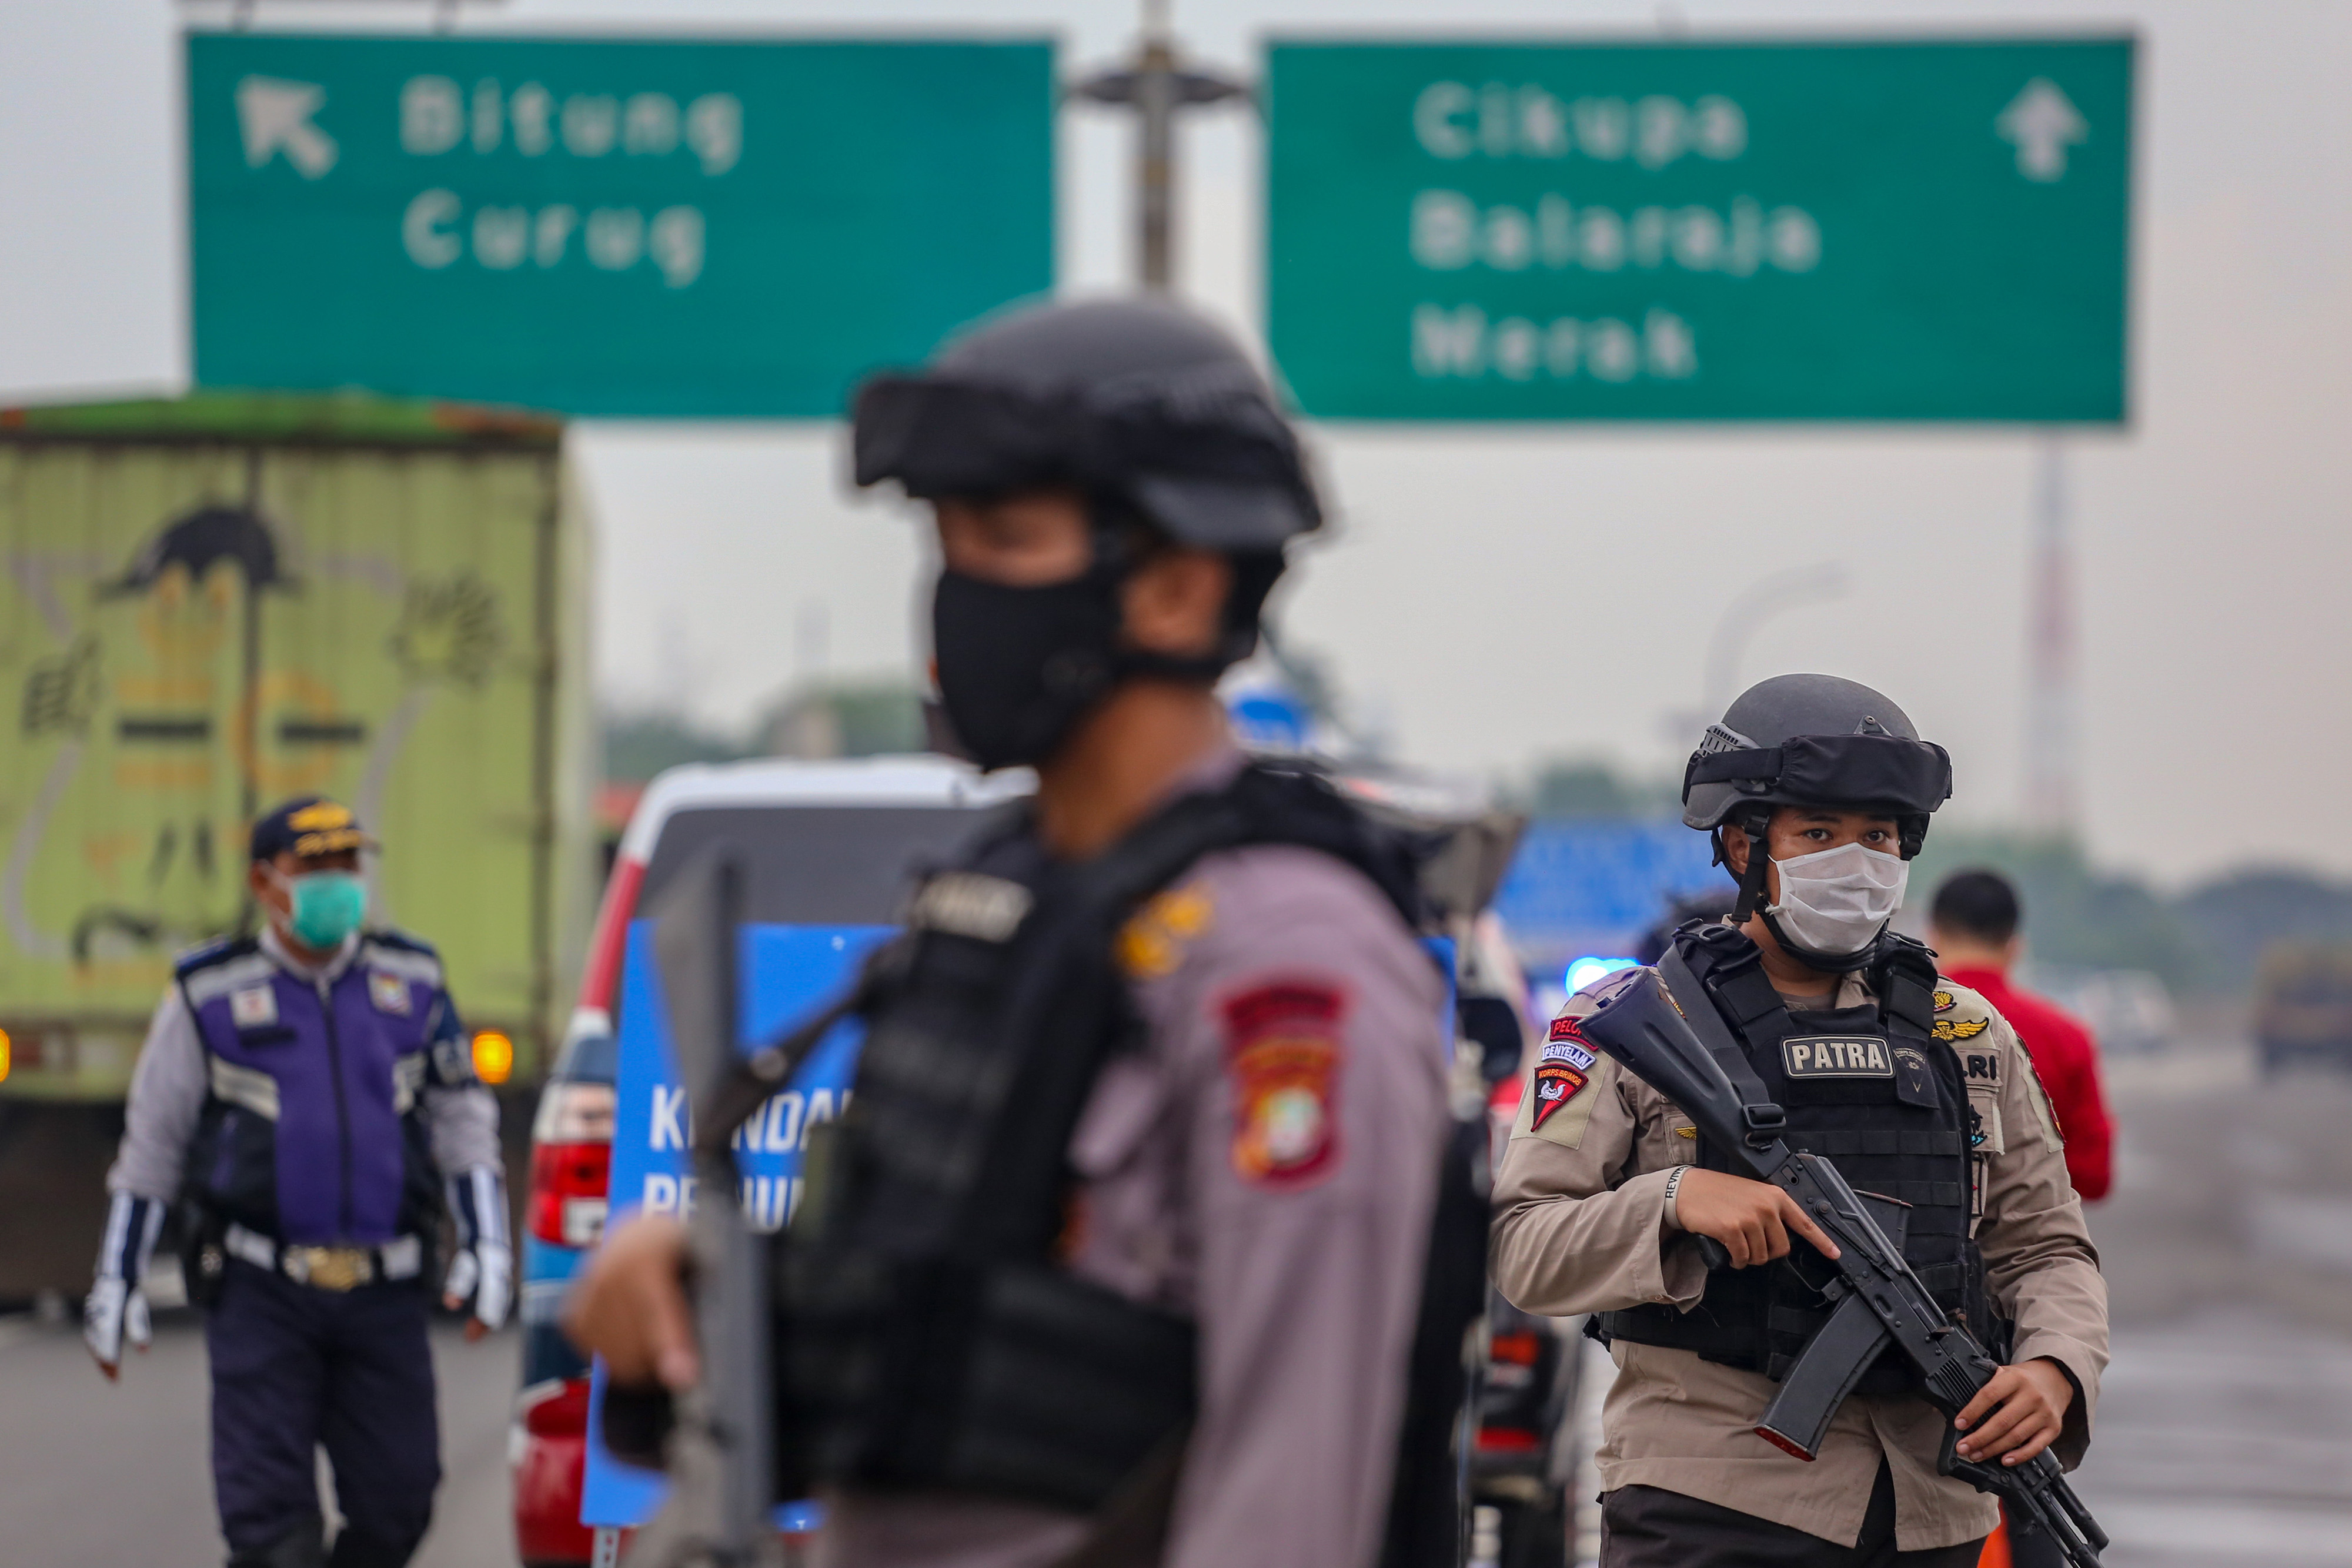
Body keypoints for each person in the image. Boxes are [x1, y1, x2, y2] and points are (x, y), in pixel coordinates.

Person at [565, 297, 1468, 1568]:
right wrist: (703, 1296)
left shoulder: (1284, 964)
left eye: (1004, 540)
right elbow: (950, 1329)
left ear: (1177, 588)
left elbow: (1287, 1496)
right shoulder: (1003, 896)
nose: (956, 594)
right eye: (944, 543)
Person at [1490, 674, 2108, 1568]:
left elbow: (2046, 1246)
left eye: (1879, 836)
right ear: (1744, 844)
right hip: (1713, 1501)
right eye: (1819, 833)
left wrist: (2054, 1368)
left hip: (1933, 1511)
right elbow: (1523, 1245)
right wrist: (1673, 1201)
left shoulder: (1965, 1032)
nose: (1856, 862)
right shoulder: (1630, 1021)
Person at [85, 796, 511, 1568]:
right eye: (314, 866)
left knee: (399, 1506)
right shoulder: (208, 994)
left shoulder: (413, 980)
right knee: (272, 1533)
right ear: (264, 882)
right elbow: (153, 1142)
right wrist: (117, 1277)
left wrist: (488, 1246)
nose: (337, 882)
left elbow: (462, 1116)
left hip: (384, 1295)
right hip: (262, 1294)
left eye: (348, 863)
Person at [1929, 871, 2114, 1203]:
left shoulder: (1890, 1022)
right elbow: (2094, 1175)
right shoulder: (2067, 1036)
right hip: (2032, 1229)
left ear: (1933, 939)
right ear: (2015, 947)